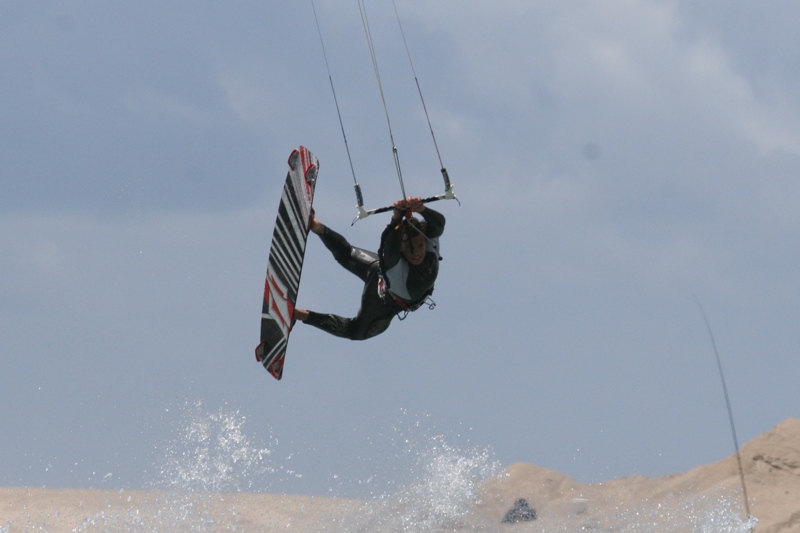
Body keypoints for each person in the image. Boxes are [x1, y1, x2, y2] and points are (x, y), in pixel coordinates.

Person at [294, 196, 445, 340]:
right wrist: (401, 216)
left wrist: (418, 210)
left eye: (420, 245)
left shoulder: (424, 266)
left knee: (354, 330)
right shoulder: (394, 258)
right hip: (381, 288)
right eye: (409, 249)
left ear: (425, 241)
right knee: (347, 254)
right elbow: (391, 245)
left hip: (383, 296)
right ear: (401, 248)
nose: (416, 252)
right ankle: (316, 226)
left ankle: (300, 314)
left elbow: (439, 224)